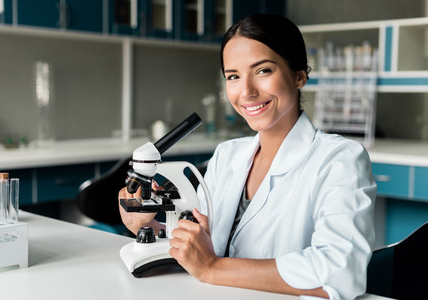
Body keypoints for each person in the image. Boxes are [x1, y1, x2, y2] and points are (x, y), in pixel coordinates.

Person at [119, 14, 376, 300]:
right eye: (233, 76)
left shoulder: (339, 159)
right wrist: (150, 222)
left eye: (263, 71)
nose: (247, 92)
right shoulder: (228, 155)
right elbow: (201, 239)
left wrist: (213, 268)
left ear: (299, 76)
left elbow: (339, 272)